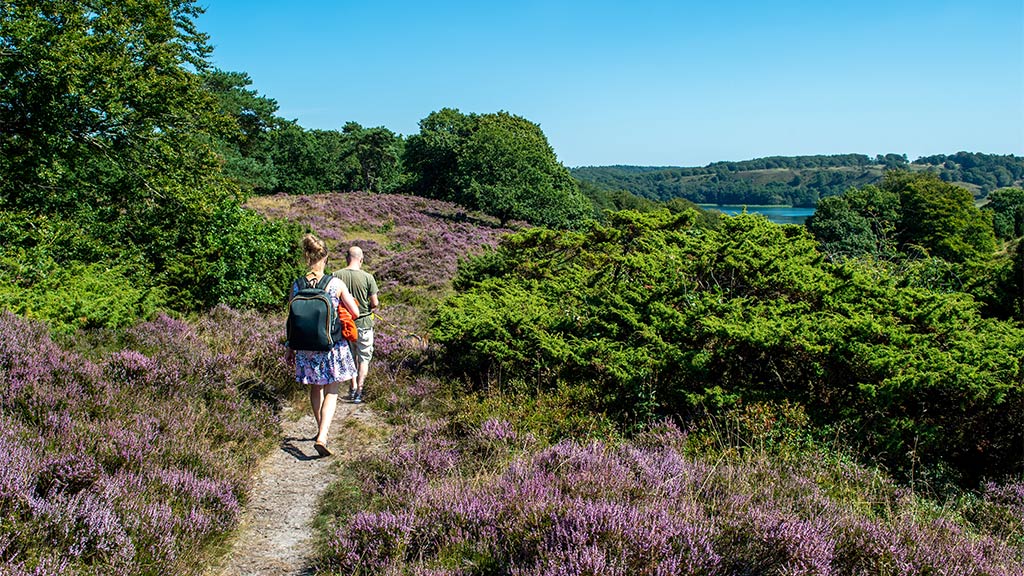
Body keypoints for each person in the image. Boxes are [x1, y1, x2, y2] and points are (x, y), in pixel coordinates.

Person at [285, 234, 360, 457]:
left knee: (315, 387)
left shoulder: (297, 284)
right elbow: (355, 313)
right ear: (325, 257)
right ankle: (323, 435)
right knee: (332, 389)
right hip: (331, 346)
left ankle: (320, 428)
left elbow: (291, 318)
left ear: (307, 257)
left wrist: (290, 347)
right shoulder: (335, 284)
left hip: (304, 347)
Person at [335, 245, 379, 404]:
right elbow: (374, 303)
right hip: (364, 323)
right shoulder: (368, 277)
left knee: (349, 356)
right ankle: (359, 392)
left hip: (343, 323)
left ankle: (352, 386)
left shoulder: (335, 275)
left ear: (347, 258)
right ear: (361, 259)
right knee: (364, 358)